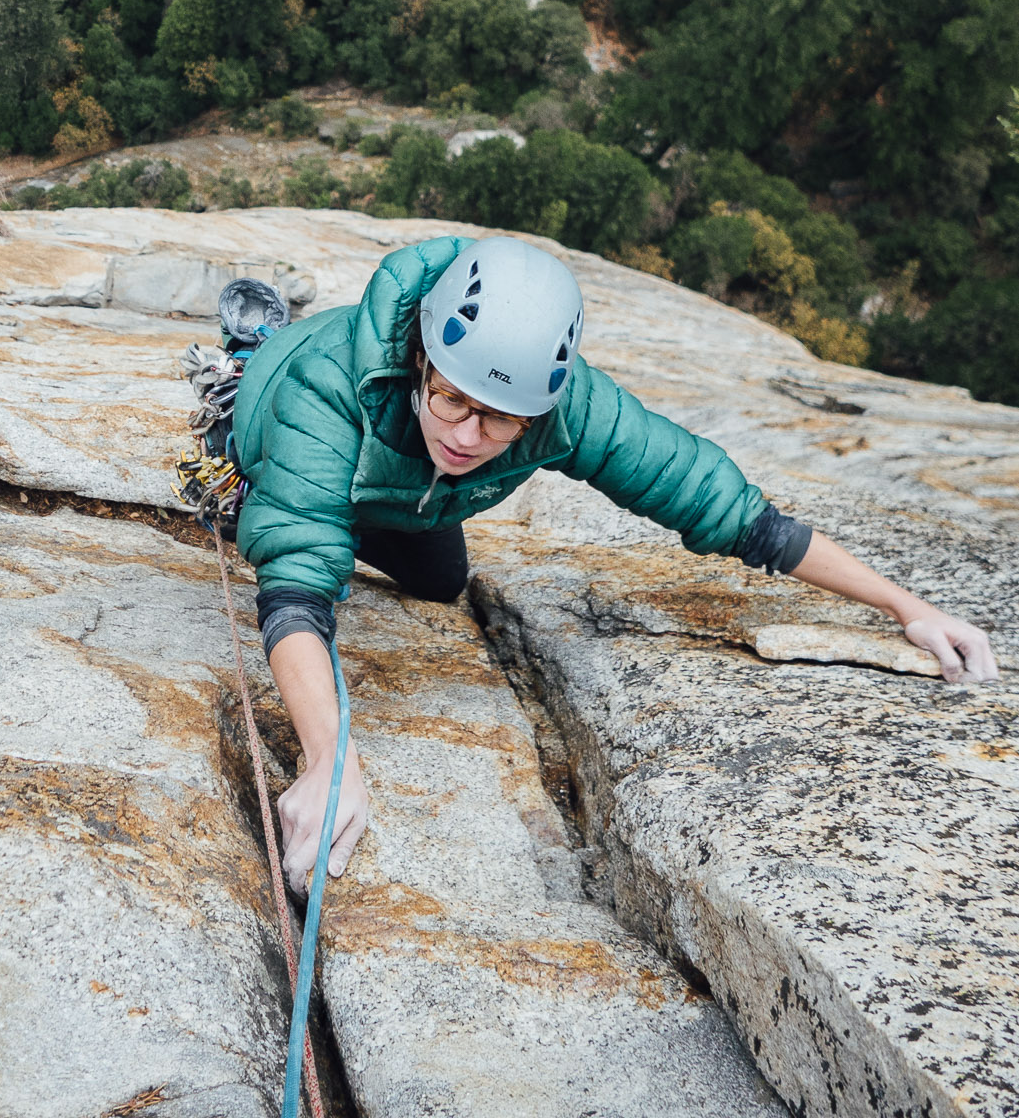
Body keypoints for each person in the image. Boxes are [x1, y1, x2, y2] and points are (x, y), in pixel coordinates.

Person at [231, 235, 998, 894]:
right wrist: (330, 758)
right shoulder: (330, 388)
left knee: (440, 582)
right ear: (419, 360)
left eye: (500, 419)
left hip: (408, 495)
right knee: (293, 528)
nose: (468, 435)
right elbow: (297, 580)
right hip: (274, 416)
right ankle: (255, 345)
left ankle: (342, 504)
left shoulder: (565, 405)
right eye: (450, 399)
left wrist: (906, 606)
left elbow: (722, 506)